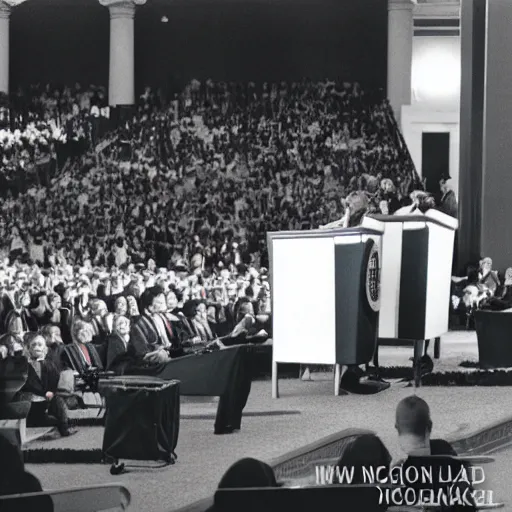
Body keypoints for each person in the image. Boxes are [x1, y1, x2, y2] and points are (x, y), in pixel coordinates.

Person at [22, 333, 77, 437]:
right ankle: (62, 425)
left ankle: (63, 425)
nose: (37, 347)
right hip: (31, 402)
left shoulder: (49, 364)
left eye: (40, 345)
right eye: (33, 345)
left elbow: (54, 380)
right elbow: (28, 384)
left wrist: (50, 392)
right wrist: (43, 393)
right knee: (54, 409)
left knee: (57, 400)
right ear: (28, 348)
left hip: (45, 400)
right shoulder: (23, 365)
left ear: (44, 349)